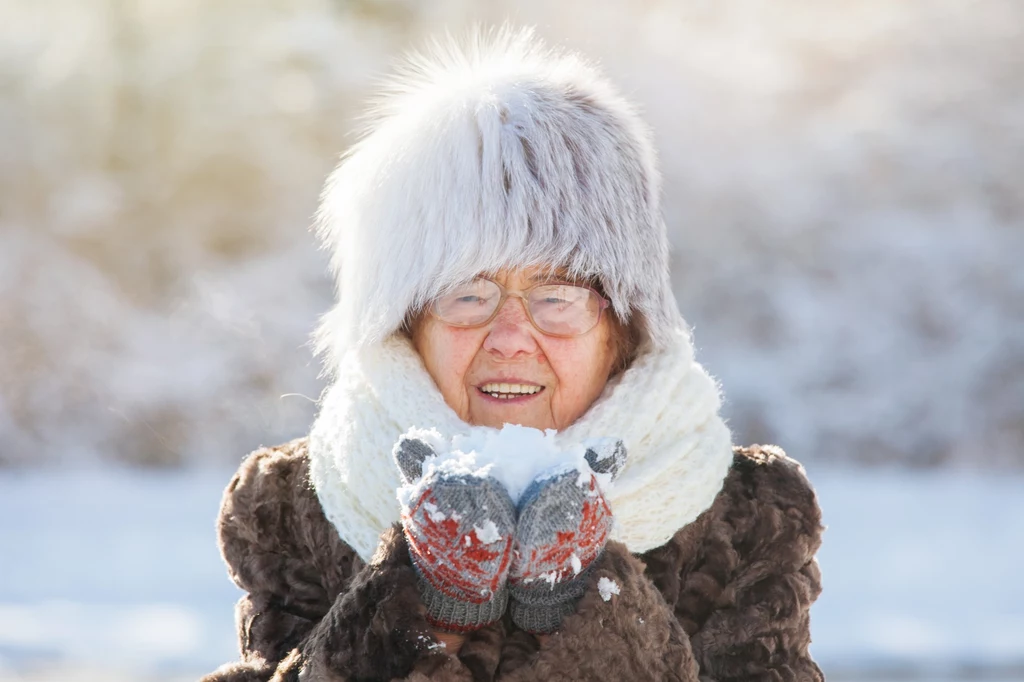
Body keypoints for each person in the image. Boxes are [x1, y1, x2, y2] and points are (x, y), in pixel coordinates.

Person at [202, 28, 824, 682]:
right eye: (468, 296)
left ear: (621, 328)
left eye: (556, 297)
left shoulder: (742, 513)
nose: (509, 337)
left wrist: (587, 599)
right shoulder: (300, 503)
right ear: (407, 326)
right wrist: (421, 605)